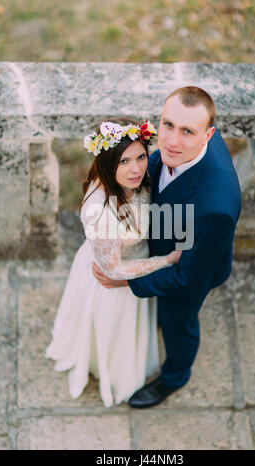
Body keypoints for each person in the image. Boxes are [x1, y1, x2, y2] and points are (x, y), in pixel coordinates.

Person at [92, 86, 242, 408]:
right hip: (165, 238)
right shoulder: (174, 151)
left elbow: (187, 277)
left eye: (187, 131)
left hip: (189, 269)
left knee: (178, 321)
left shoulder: (215, 207)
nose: (172, 141)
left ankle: (175, 376)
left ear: (208, 134)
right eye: (168, 124)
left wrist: (126, 279)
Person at [45, 117, 182, 407]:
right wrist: (166, 261)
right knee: (112, 338)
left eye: (141, 157)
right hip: (114, 283)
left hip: (137, 265)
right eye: (124, 162)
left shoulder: (145, 174)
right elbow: (112, 270)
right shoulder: (98, 211)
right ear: (108, 163)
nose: (136, 169)